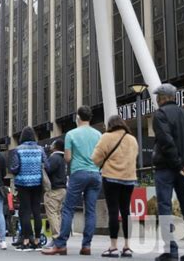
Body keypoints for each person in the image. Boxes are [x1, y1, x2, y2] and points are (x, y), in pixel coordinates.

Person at [151, 84, 184, 261]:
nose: (157, 99)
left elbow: (166, 141)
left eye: (158, 96)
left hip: (166, 168)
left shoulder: (160, 115)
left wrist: (177, 164)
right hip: (183, 170)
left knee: (165, 207)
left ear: (163, 97)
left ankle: (170, 251)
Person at [42, 105, 102, 256]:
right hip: (95, 174)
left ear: (78, 117)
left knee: (68, 209)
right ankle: (86, 245)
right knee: (90, 211)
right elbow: (101, 157)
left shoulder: (71, 134)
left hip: (78, 174)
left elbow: (67, 158)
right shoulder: (98, 134)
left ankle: (61, 244)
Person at [92, 115, 138, 258]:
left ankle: (113, 247)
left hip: (111, 178)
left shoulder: (107, 137)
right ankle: (127, 246)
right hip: (129, 179)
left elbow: (95, 158)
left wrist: (104, 163)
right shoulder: (132, 139)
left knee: (113, 211)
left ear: (110, 125)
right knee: (126, 212)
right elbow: (134, 157)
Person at [10, 126, 46, 252]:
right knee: (36, 211)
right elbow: (45, 165)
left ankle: (25, 241)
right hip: (38, 183)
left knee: (25, 211)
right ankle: (37, 240)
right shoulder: (40, 149)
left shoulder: (18, 150)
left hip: (23, 184)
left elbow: (15, 168)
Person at [43, 139, 67, 249]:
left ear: (56, 147)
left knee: (52, 214)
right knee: (58, 214)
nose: (50, 146)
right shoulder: (63, 159)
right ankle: (59, 238)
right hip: (62, 190)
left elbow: (47, 169)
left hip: (54, 190)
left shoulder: (54, 157)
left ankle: (56, 238)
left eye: (52, 144)